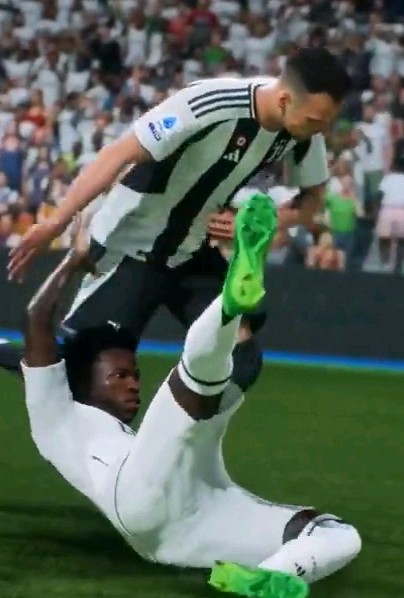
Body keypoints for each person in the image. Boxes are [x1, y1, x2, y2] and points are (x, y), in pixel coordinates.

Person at [22, 194, 361, 598]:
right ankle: (230, 304)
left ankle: (274, 574)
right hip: (136, 493)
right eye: (119, 376)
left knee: (338, 534)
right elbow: (36, 320)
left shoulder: (121, 435)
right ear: (83, 382)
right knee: (192, 388)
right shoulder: (56, 414)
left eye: (134, 374)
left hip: (185, 525)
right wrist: (74, 260)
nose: (133, 384)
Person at [7, 47, 351, 392]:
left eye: (327, 120)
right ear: (284, 99)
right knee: (71, 374)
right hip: (131, 246)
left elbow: (312, 199)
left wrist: (256, 221)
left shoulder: (303, 129)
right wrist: (56, 221)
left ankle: (179, 424)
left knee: (241, 359)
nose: (321, 129)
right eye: (315, 120)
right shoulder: (211, 103)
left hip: (193, 250)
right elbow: (119, 153)